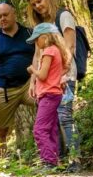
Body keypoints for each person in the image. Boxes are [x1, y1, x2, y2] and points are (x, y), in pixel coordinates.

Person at [26, 0, 82, 171]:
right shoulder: (40, 28)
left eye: (39, 1)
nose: (37, 6)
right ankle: (57, 160)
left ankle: (75, 160)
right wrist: (33, 82)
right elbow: (37, 55)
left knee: (65, 117)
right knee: (52, 122)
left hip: (65, 77)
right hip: (47, 81)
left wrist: (64, 76)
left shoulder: (63, 16)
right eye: (34, 5)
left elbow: (70, 46)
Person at [0, 0, 34, 158]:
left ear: (14, 14)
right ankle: (1, 165)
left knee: (50, 110)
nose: (2, 19)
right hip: (4, 90)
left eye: (5, 15)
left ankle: (57, 154)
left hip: (29, 85)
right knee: (1, 130)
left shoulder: (30, 34)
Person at [26, 22, 69, 169]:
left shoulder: (49, 51)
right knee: (50, 129)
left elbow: (42, 75)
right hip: (53, 93)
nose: (36, 43)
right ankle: (55, 160)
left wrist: (32, 70)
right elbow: (59, 71)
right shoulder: (57, 50)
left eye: (36, 39)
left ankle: (49, 161)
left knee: (40, 129)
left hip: (49, 95)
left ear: (44, 37)